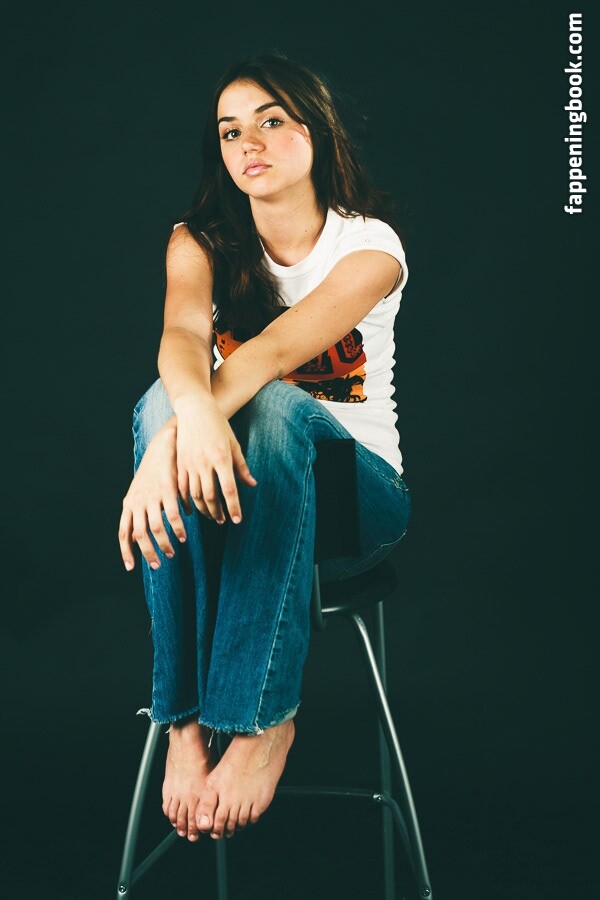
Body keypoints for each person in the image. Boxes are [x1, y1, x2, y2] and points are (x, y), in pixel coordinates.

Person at [118, 50, 412, 845]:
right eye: (229, 131)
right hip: (233, 503)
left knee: (270, 402)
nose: (248, 144)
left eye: (272, 122)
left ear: (317, 132)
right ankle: (183, 724)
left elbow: (271, 354)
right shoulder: (199, 241)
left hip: (355, 508)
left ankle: (262, 721)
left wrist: (161, 451)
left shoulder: (369, 247)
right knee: (165, 396)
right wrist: (177, 425)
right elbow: (181, 338)